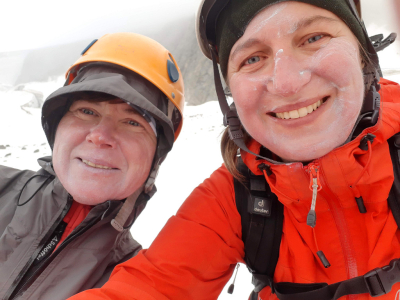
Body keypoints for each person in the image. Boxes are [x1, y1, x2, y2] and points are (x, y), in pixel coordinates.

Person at [68, 1, 400, 300]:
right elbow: (151, 288)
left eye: (313, 38)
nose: (286, 82)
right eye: (253, 58)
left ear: (362, 53)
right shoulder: (233, 200)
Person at [0, 32, 184, 300]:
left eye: (133, 122)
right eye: (87, 111)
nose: (100, 135)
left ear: (156, 157)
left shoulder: (137, 283)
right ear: (57, 126)